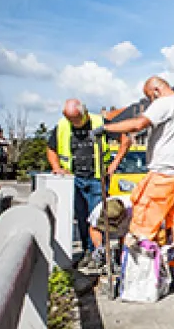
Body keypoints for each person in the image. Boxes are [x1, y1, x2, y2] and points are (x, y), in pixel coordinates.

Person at [93, 77, 174, 288]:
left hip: (163, 174)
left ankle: (136, 279)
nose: (151, 102)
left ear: (156, 90)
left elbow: (139, 124)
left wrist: (107, 128)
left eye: (149, 97)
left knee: (143, 223)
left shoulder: (165, 103)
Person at [47, 99, 130, 266]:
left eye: (76, 119)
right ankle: (88, 251)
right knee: (82, 217)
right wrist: (56, 167)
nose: (74, 123)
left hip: (97, 179)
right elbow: (51, 148)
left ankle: (98, 253)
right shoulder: (62, 126)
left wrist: (114, 164)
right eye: (70, 120)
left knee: (98, 218)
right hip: (74, 179)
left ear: (84, 113)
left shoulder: (100, 123)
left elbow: (125, 140)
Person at [85, 195, 132, 269]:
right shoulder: (97, 211)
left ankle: (121, 258)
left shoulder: (133, 209)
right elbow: (93, 228)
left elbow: (127, 234)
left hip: (130, 219)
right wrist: (99, 247)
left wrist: (124, 253)